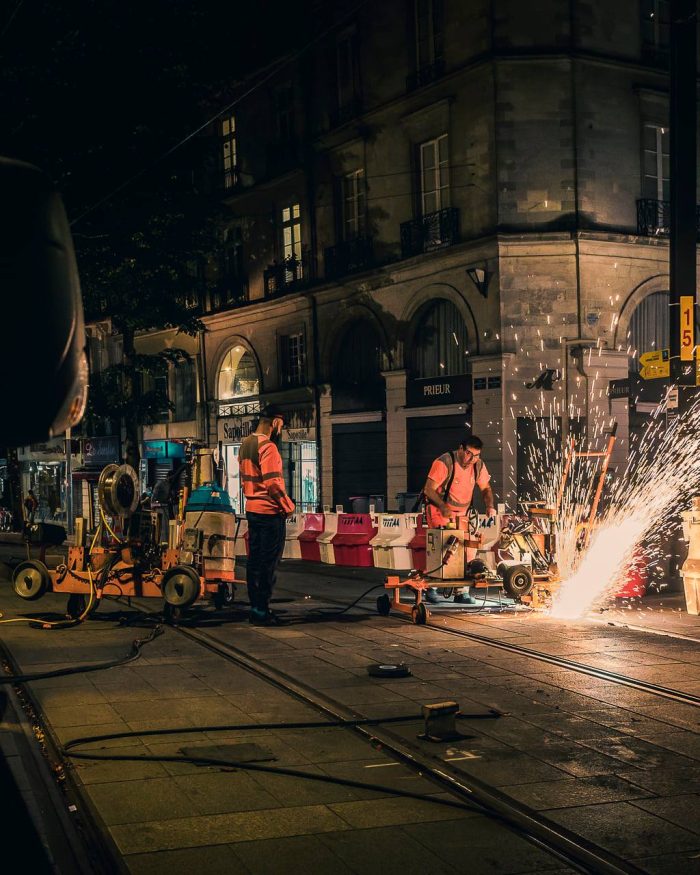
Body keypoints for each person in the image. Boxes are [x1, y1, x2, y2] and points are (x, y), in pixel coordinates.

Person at [422, 435, 496, 604]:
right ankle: (431, 587)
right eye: (469, 454)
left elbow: (486, 488)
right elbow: (428, 489)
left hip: (463, 514)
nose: (472, 459)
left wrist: (489, 506)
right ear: (461, 449)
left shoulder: (478, 466)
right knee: (444, 547)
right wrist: (442, 506)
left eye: (476, 455)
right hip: (439, 510)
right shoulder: (444, 462)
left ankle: (461, 591)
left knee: (468, 549)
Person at [239, 405, 295, 625]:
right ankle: (262, 610)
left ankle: (255, 608)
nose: (280, 430)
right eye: (280, 425)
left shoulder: (245, 445)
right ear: (274, 423)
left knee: (254, 561)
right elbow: (272, 483)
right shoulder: (268, 447)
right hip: (269, 513)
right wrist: (287, 506)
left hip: (252, 510)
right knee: (268, 563)